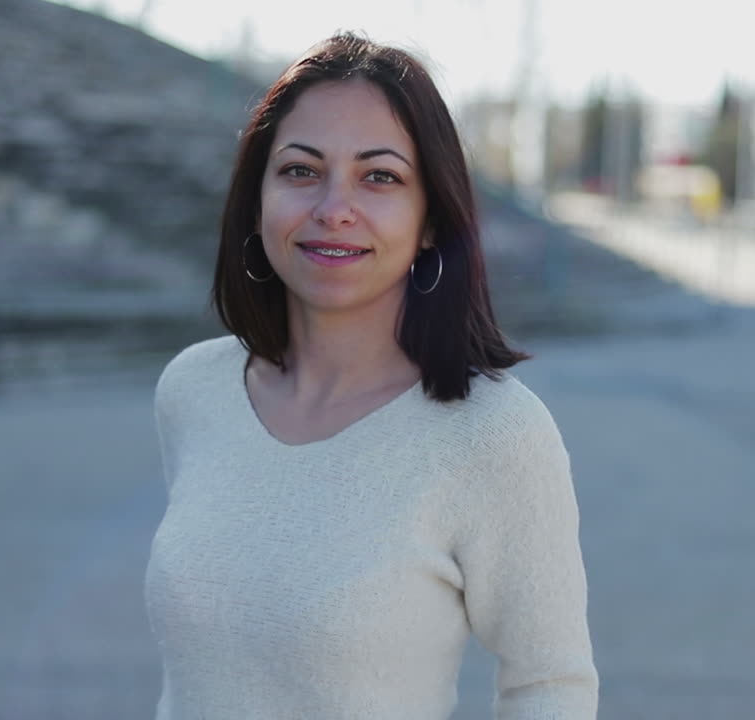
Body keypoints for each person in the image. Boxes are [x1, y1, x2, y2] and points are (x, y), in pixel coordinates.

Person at [144, 32, 597, 719]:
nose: (334, 207)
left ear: (429, 221)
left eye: (379, 176)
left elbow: (549, 686)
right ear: (257, 197)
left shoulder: (493, 433)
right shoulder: (193, 390)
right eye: (300, 170)